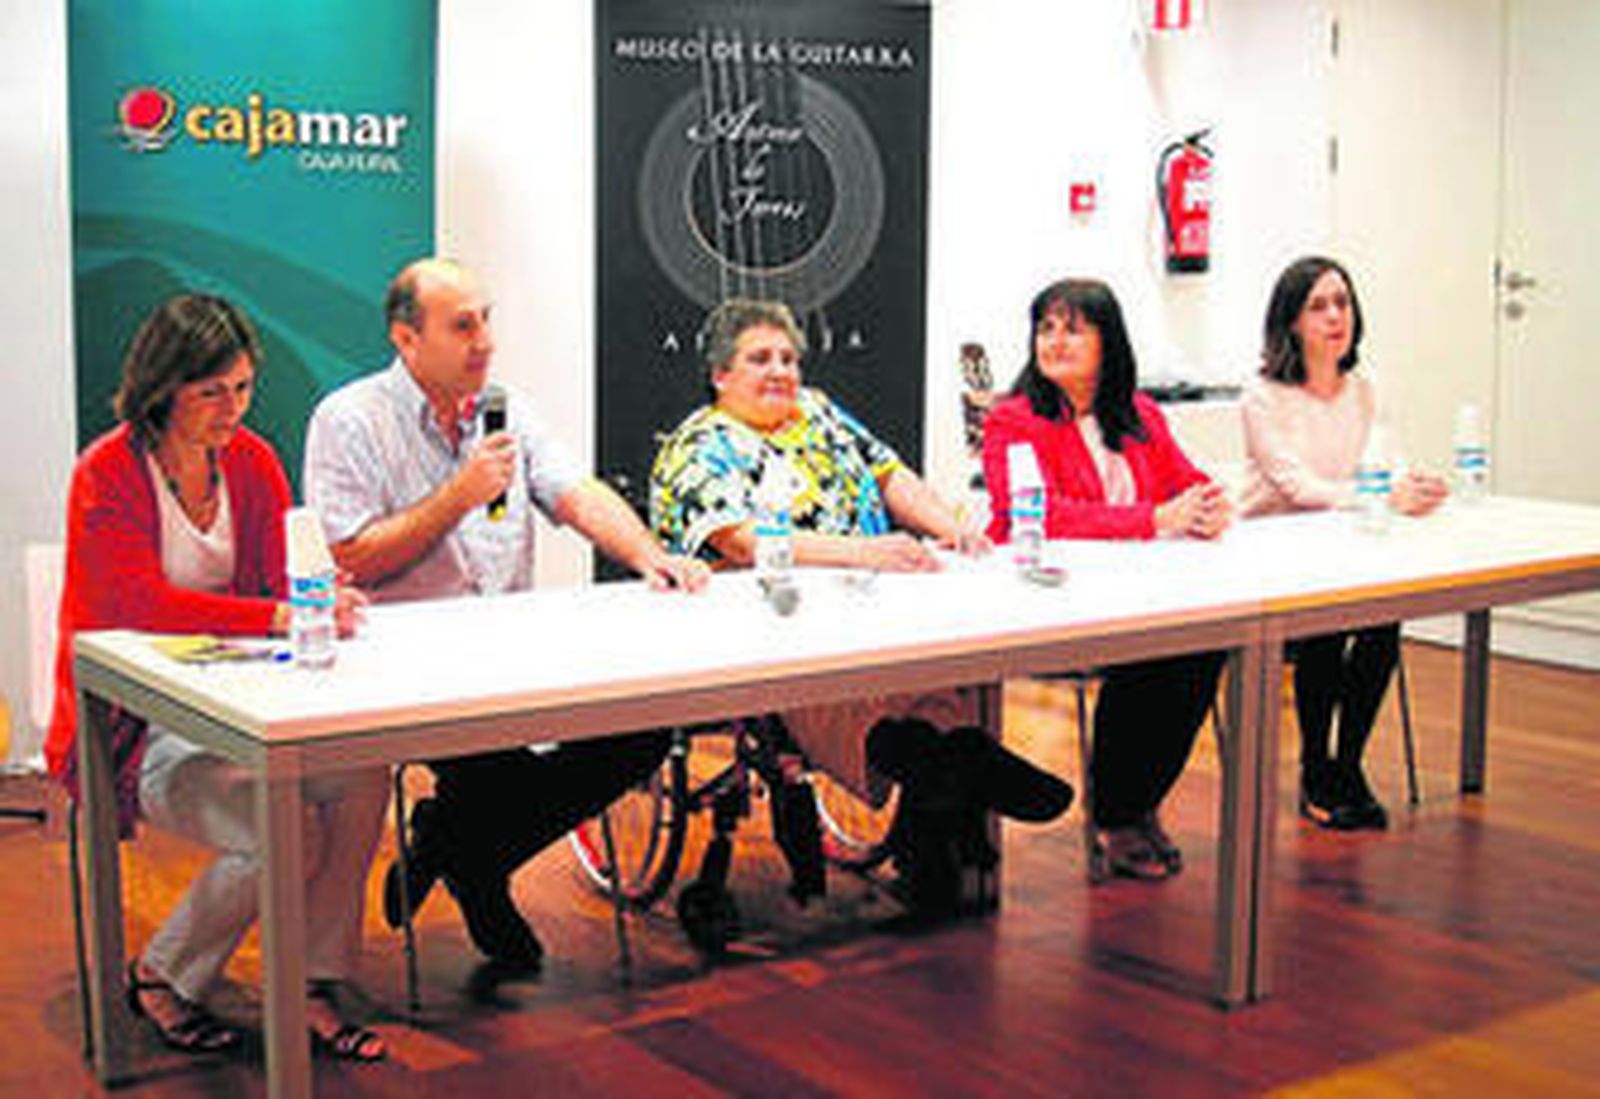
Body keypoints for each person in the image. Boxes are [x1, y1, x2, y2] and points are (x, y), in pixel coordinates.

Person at [303, 258, 709, 972]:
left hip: (509, 650)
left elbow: (574, 491)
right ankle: (475, 863)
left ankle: (456, 844)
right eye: (463, 325)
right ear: (406, 338)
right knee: (493, 767)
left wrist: (649, 553)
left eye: (486, 318)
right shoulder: (350, 419)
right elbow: (352, 555)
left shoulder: (503, 408)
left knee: (643, 725)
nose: (484, 339)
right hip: (405, 661)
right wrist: (459, 494)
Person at [651, 298, 1072, 918]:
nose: (780, 372)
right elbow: (739, 539)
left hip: (874, 609)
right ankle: (949, 761)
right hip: (776, 627)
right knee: (840, 682)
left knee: (927, 666)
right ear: (721, 374)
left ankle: (944, 767)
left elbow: (888, 474)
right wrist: (863, 552)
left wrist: (952, 528)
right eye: (760, 359)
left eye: (789, 358)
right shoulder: (698, 445)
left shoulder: (817, 413)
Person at [47, 294, 387, 1061]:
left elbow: (278, 579)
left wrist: (316, 595)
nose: (231, 408)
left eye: (241, 388)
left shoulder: (253, 459)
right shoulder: (105, 471)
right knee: (284, 826)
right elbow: (136, 604)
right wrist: (271, 616)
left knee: (364, 771)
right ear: (163, 387)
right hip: (136, 723)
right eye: (212, 392)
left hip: (240, 703)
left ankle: (310, 979)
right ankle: (163, 974)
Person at [981, 277, 1229, 881]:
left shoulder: (1140, 413)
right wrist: (1152, 519)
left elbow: (1185, 481)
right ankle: (1120, 813)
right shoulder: (1013, 420)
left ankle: (1134, 803)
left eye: (1073, 327)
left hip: (1136, 588)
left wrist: (1208, 502)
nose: (1055, 340)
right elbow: (1032, 514)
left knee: (1205, 643)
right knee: (1145, 650)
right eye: (1046, 328)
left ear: (1107, 341)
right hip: (1050, 591)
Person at [1241, 255, 1448, 830]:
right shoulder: (1262, 395)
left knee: (1383, 621)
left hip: (1346, 543)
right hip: (1276, 548)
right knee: (1329, 627)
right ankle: (1315, 767)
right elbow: (1295, 485)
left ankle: (1348, 764)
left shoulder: (1365, 387)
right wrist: (1378, 497)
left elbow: (1386, 462)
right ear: (1291, 322)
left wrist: (1411, 486)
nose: (1336, 316)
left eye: (1343, 302)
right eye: (1319, 306)